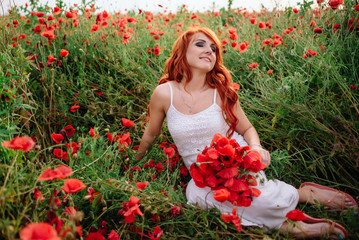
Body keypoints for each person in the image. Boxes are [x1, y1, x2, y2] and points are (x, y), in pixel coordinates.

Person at [136, 27, 357, 239]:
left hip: (237, 162)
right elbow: (151, 135)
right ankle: (289, 217)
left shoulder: (221, 94)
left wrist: (256, 148)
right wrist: (132, 161)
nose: (209, 51)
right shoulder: (164, 94)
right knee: (196, 197)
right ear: (181, 52)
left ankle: (300, 204)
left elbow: (247, 128)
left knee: (246, 195)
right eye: (200, 44)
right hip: (201, 176)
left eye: (213, 49)